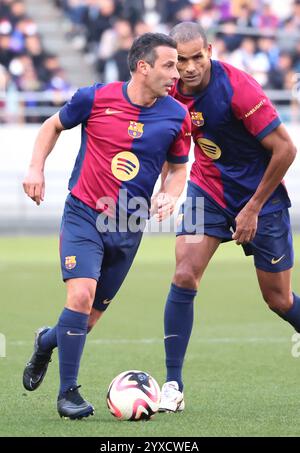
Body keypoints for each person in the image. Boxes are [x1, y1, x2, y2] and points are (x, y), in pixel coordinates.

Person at [22, 32, 191, 419]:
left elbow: (179, 169)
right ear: (142, 66)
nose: (176, 74)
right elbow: (52, 126)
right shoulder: (95, 98)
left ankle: (46, 341)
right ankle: (68, 396)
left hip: (129, 226)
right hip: (84, 214)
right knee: (80, 298)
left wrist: (169, 192)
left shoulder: (176, 115)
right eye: (169, 65)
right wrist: (36, 168)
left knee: (88, 319)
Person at [156, 21, 298, 412]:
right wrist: (167, 186)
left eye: (196, 58)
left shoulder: (238, 88)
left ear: (211, 51)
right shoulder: (167, 89)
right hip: (209, 192)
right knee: (185, 273)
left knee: (279, 299)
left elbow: (285, 150)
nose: (188, 68)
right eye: (180, 60)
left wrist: (251, 208)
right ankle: (173, 385)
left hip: (261, 199)